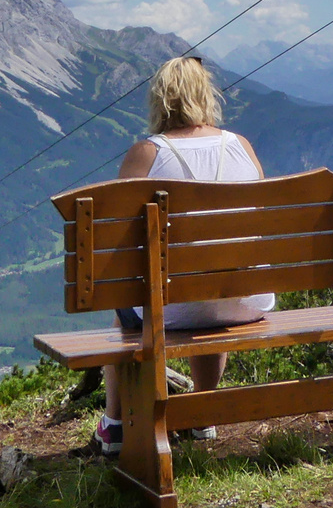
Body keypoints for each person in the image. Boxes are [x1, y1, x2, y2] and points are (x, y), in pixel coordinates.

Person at [95, 55, 274, 457]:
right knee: (216, 284)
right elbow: (261, 221)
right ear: (205, 96)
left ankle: (115, 424)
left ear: (160, 100)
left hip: (171, 308)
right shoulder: (240, 146)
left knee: (125, 303)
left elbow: (115, 239)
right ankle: (201, 413)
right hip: (244, 301)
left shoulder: (146, 154)